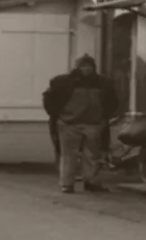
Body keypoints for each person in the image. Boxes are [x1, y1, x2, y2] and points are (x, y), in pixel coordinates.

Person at [42, 55, 118, 194]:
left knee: (81, 155)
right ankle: (71, 183)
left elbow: (49, 98)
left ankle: (75, 183)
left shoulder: (63, 82)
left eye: (89, 66)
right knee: (78, 155)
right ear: (78, 67)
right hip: (75, 123)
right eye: (84, 66)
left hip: (82, 123)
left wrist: (58, 115)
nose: (86, 69)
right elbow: (112, 101)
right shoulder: (102, 83)